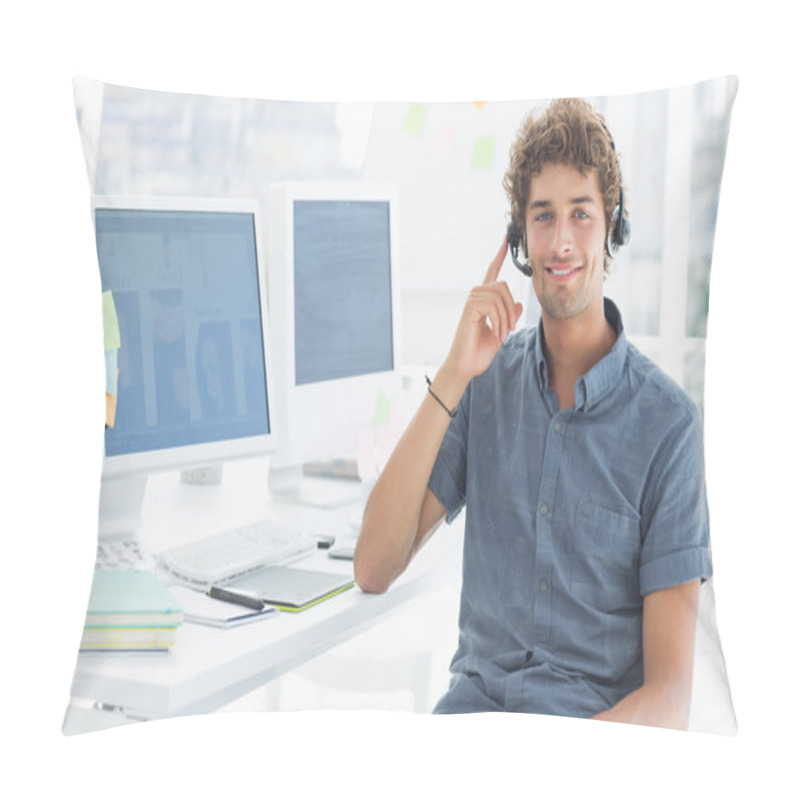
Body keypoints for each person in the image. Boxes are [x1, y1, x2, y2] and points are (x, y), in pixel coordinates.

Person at [354, 98, 712, 729]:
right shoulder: (485, 386)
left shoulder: (669, 428)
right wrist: (454, 374)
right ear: (520, 237)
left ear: (612, 228)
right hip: (468, 722)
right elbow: (373, 567)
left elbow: (671, 699)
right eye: (543, 217)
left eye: (581, 213)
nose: (562, 241)